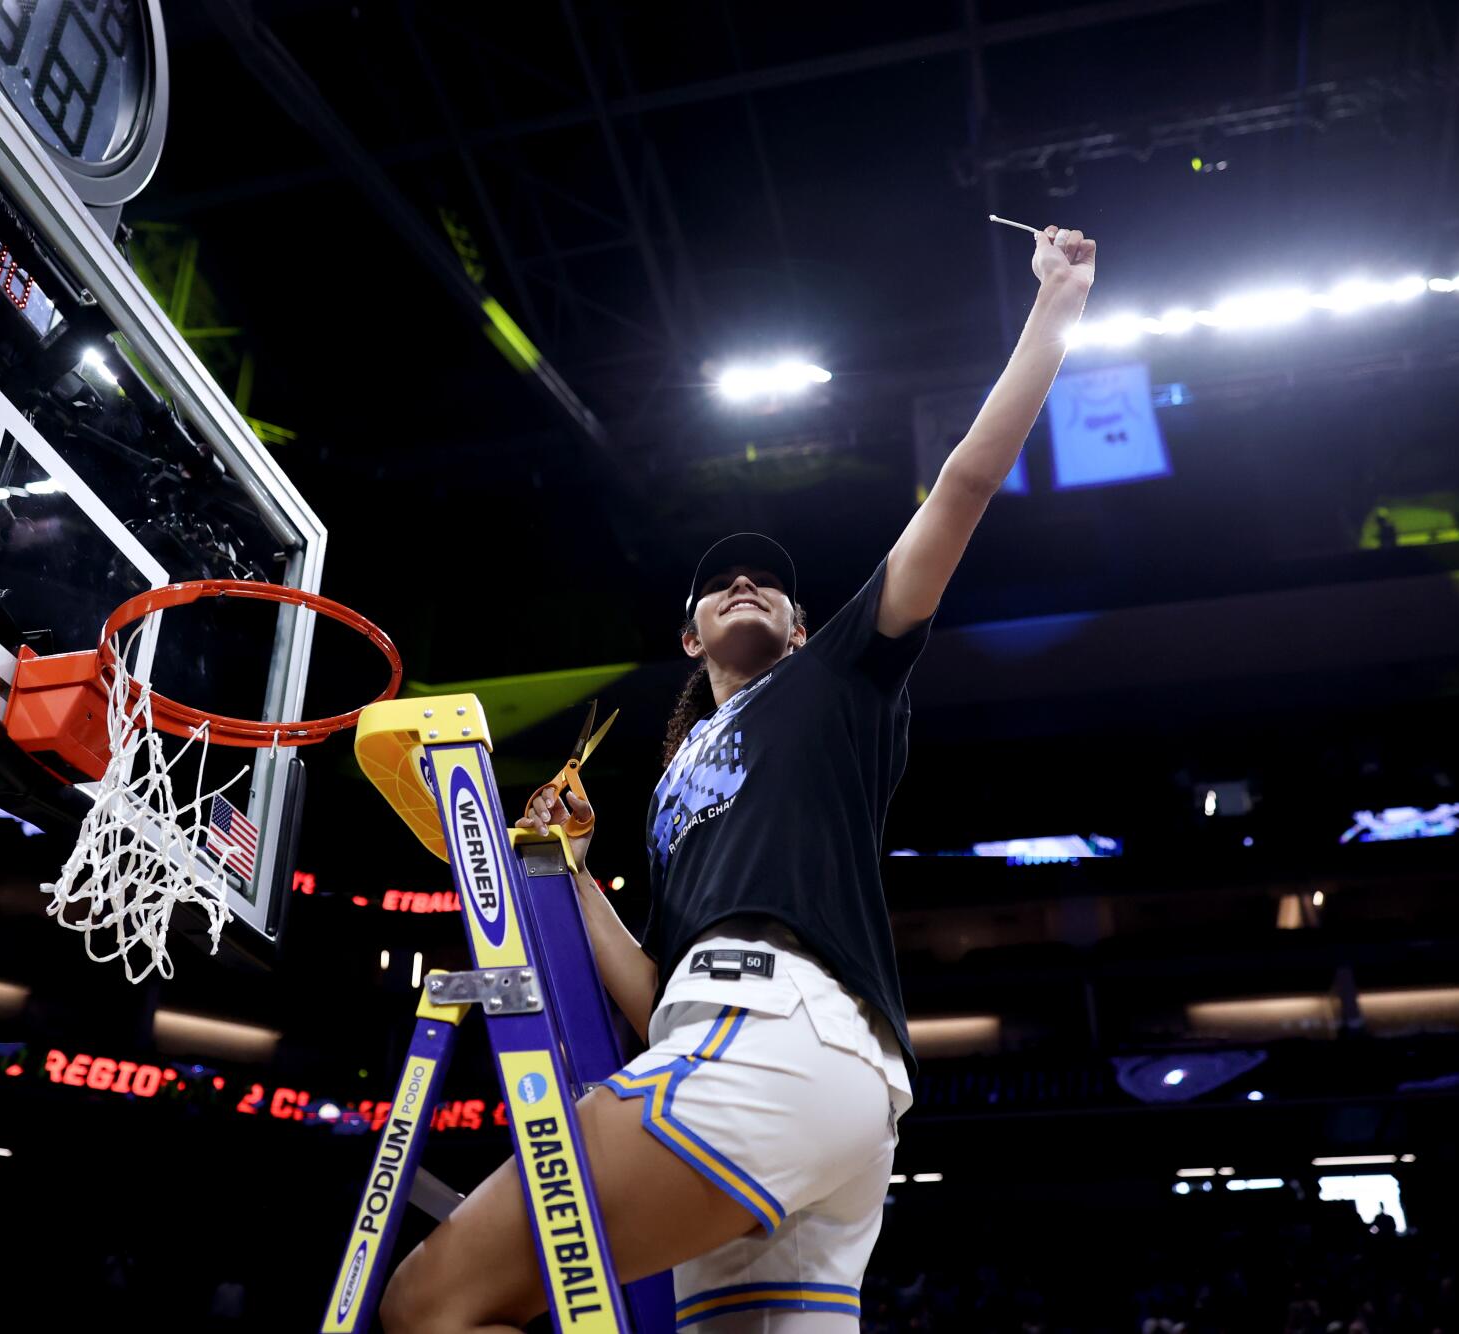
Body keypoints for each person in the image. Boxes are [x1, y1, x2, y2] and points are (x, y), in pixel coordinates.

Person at [380, 224, 1098, 1333]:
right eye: (721, 582)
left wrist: (1053, 310)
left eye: (768, 580)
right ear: (688, 634)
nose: (747, 581)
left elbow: (959, 486)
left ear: (806, 627)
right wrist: (571, 871)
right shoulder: (674, 788)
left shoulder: (837, 679)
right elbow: (654, 983)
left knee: (430, 1299)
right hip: (768, 1066)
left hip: (778, 1042)